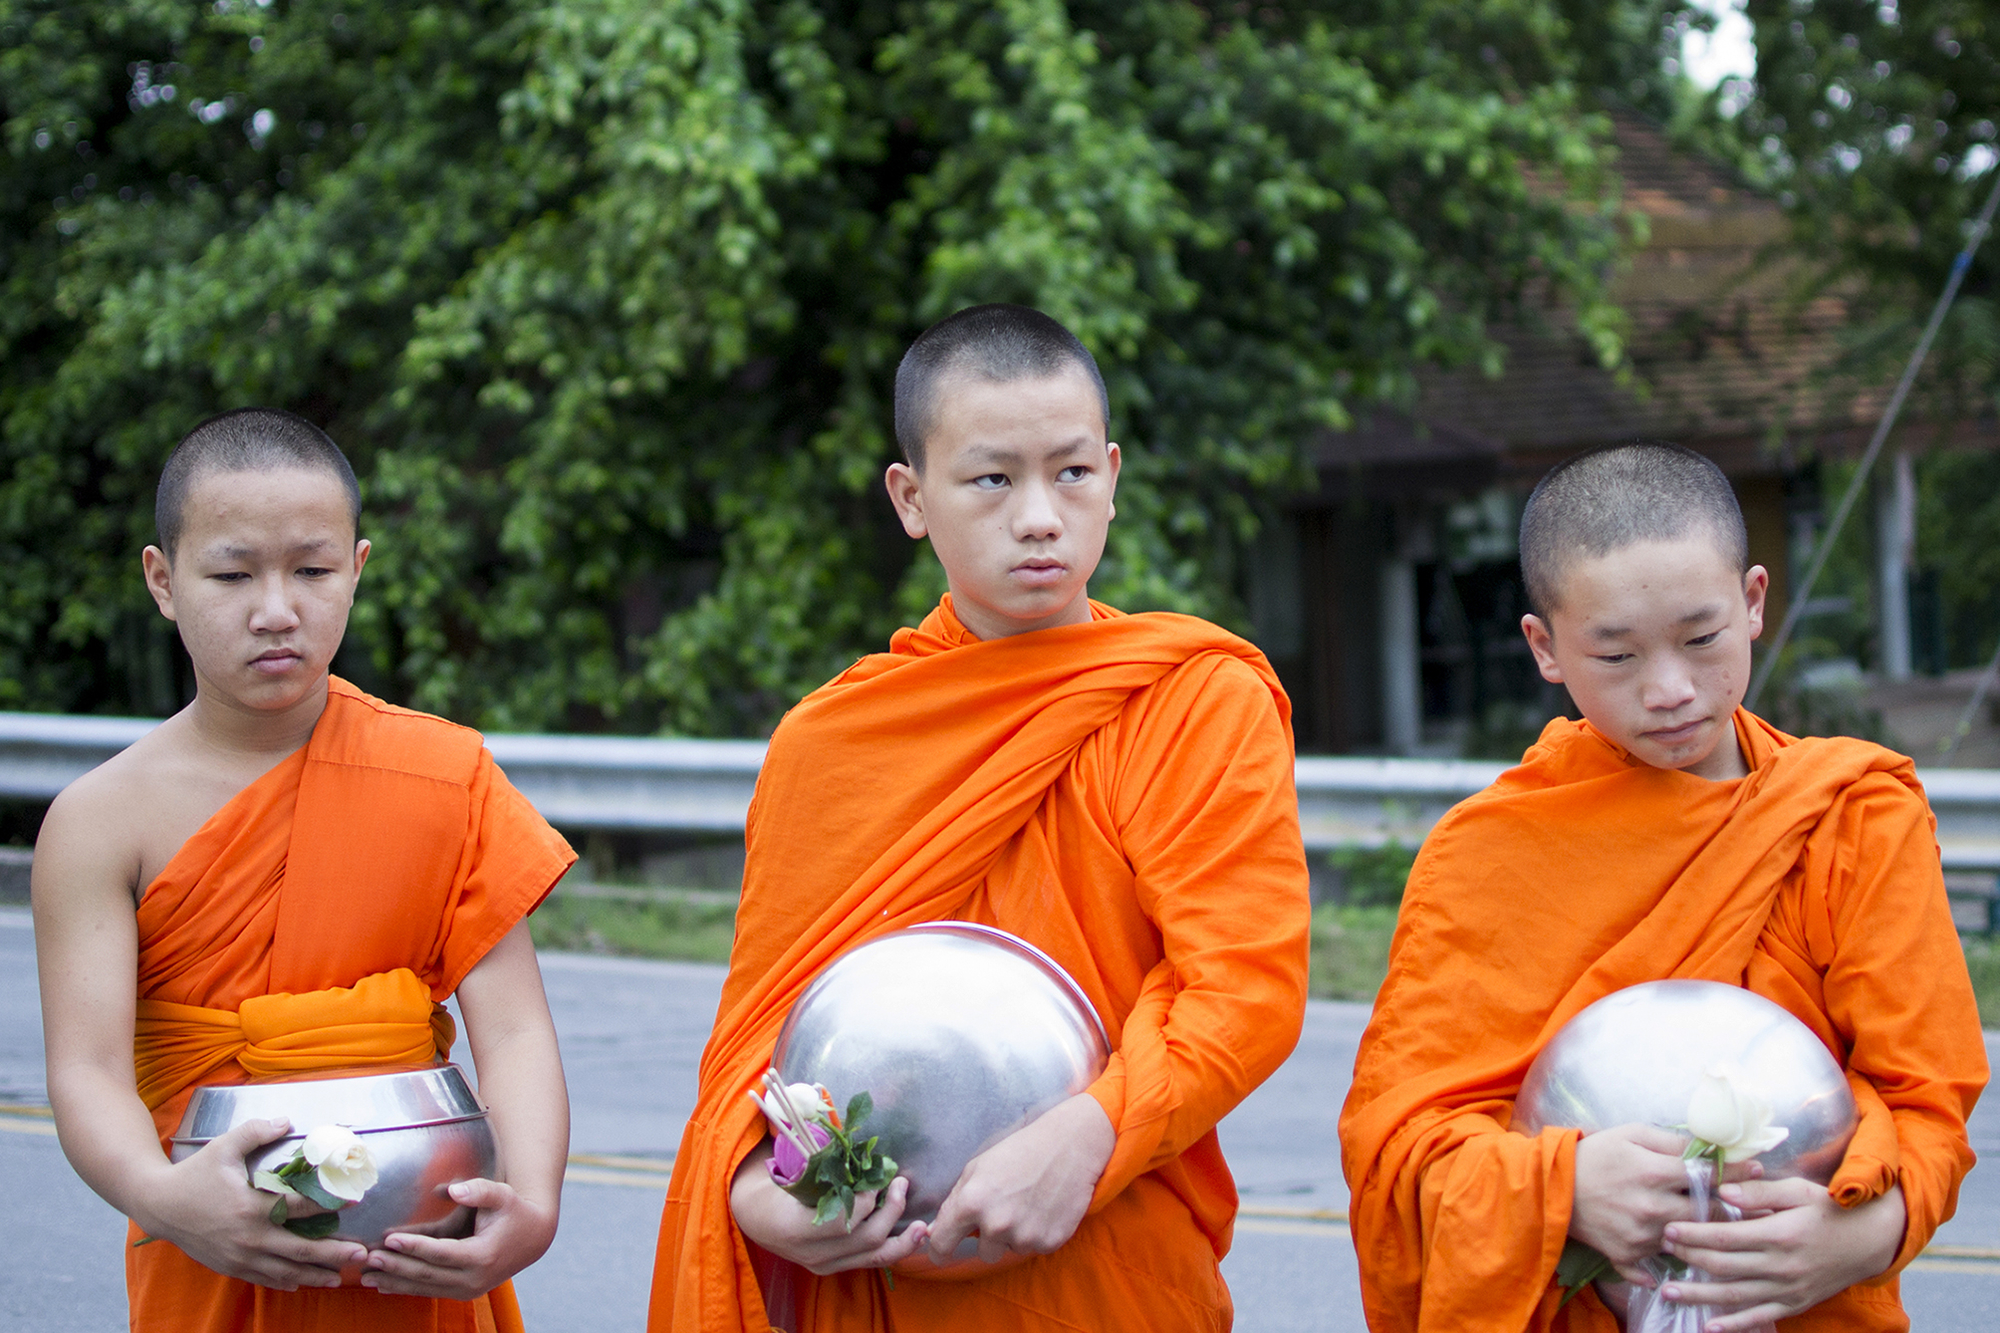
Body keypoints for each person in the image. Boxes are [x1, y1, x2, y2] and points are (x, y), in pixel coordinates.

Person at [647, 304, 1312, 1331]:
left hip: (1108, 1257)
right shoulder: (834, 742)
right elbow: (762, 1035)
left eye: (1072, 472)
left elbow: (1242, 988)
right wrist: (756, 1189)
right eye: (992, 479)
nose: (1040, 515)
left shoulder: (1190, 698)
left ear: (1113, 478)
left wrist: (1089, 1133)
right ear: (911, 498)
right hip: (871, 1277)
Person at [1339, 441, 1988, 1333]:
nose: (1671, 690)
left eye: (1701, 637)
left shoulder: (1849, 814)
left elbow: (1927, 1103)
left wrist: (1860, 1235)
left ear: (1754, 601)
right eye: (1617, 657)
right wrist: (1562, 1189)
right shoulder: (1488, 853)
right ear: (1546, 648)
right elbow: (1398, 1152)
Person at [32, 408, 577, 1333]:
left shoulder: (442, 777)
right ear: (163, 581)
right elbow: (86, 1072)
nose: (277, 607)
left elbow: (516, 1031)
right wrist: (164, 1200)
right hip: (213, 1238)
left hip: (423, 1249)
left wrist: (531, 1200)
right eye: (233, 572)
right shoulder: (100, 821)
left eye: (313, 571)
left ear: (357, 571)